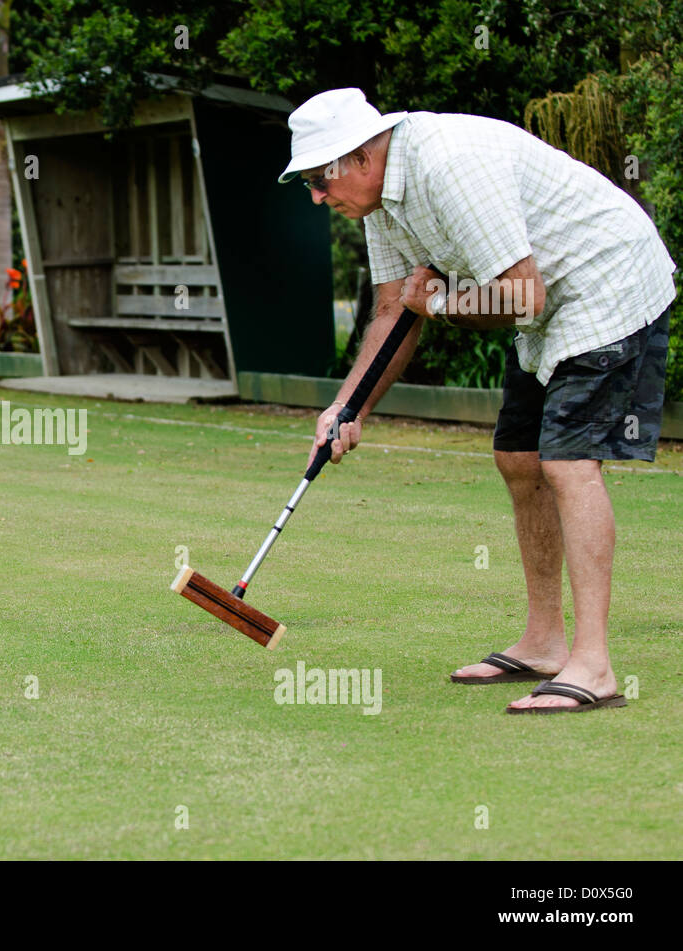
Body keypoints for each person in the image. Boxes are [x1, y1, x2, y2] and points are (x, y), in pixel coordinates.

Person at [277, 88, 676, 713]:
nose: (316, 196)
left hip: (608, 282)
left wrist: (436, 302)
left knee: (567, 462)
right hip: (550, 302)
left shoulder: (449, 166)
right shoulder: (380, 202)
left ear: (358, 158)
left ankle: (594, 665)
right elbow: (392, 308)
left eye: (318, 179)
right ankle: (545, 642)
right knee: (519, 457)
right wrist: (348, 408)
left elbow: (521, 297)